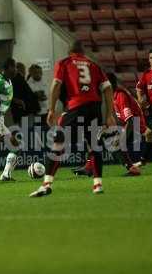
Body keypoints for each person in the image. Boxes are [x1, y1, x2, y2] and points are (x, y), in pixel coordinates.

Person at [29, 40, 116, 197]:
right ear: (83, 52)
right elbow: (108, 88)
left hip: (76, 106)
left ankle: (46, 184)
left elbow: (56, 85)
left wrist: (51, 110)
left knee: (58, 143)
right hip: (95, 107)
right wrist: (109, 114)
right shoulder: (93, 65)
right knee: (93, 145)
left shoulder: (64, 63)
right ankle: (98, 185)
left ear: (69, 52)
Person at [72, 73, 144, 177]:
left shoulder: (120, 96)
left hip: (136, 128)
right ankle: (89, 166)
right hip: (130, 126)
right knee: (96, 136)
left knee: (112, 141)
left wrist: (121, 138)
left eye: (103, 83)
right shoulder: (114, 96)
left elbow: (131, 121)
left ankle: (132, 169)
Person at [11, 62, 40, 127]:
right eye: (24, 69)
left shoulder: (16, 80)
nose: (25, 71)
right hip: (26, 112)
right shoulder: (19, 79)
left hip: (22, 112)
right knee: (28, 132)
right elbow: (26, 95)